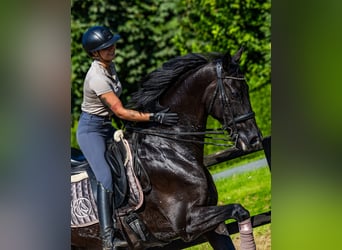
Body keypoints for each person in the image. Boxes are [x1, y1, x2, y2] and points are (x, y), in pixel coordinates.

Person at [76, 26, 179, 250]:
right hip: (91, 131)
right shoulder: (96, 78)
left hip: (106, 126)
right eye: (106, 47)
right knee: (104, 176)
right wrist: (155, 117)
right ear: (95, 53)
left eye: (112, 43)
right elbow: (120, 111)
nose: (112, 48)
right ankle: (108, 238)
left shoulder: (109, 67)